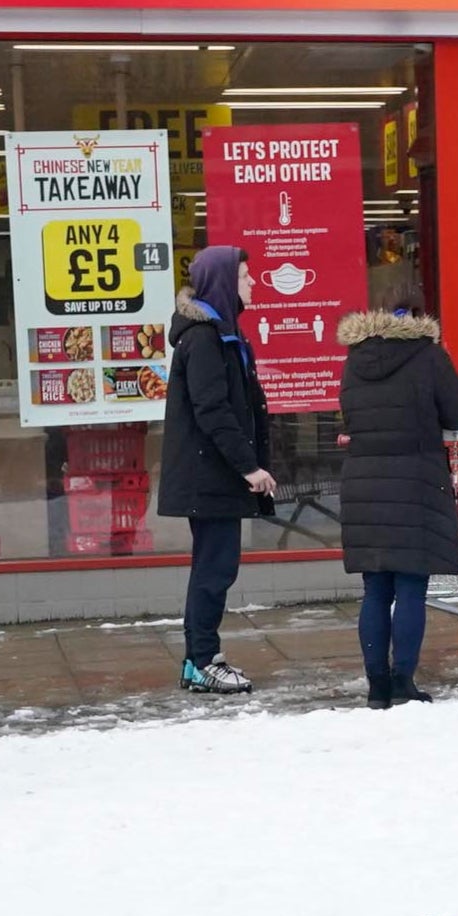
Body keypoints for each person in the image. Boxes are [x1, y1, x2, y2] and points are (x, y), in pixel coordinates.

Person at [336, 306, 458, 707]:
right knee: (411, 586)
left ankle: (377, 687)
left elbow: (350, 417)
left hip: (364, 483)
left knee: (375, 589)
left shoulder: (354, 359)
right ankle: (403, 683)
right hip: (415, 481)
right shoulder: (428, 355)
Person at [159, 245, 277, 696]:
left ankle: (197, 662)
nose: (253, 284)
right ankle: (204, 661)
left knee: (213, 568)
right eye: (246, 277)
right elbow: (213, 410)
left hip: (214, 474)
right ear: (226, 283)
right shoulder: (205, 338)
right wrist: (249, 467)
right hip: (209, 475)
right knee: (214, 570)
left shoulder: (222, 333)